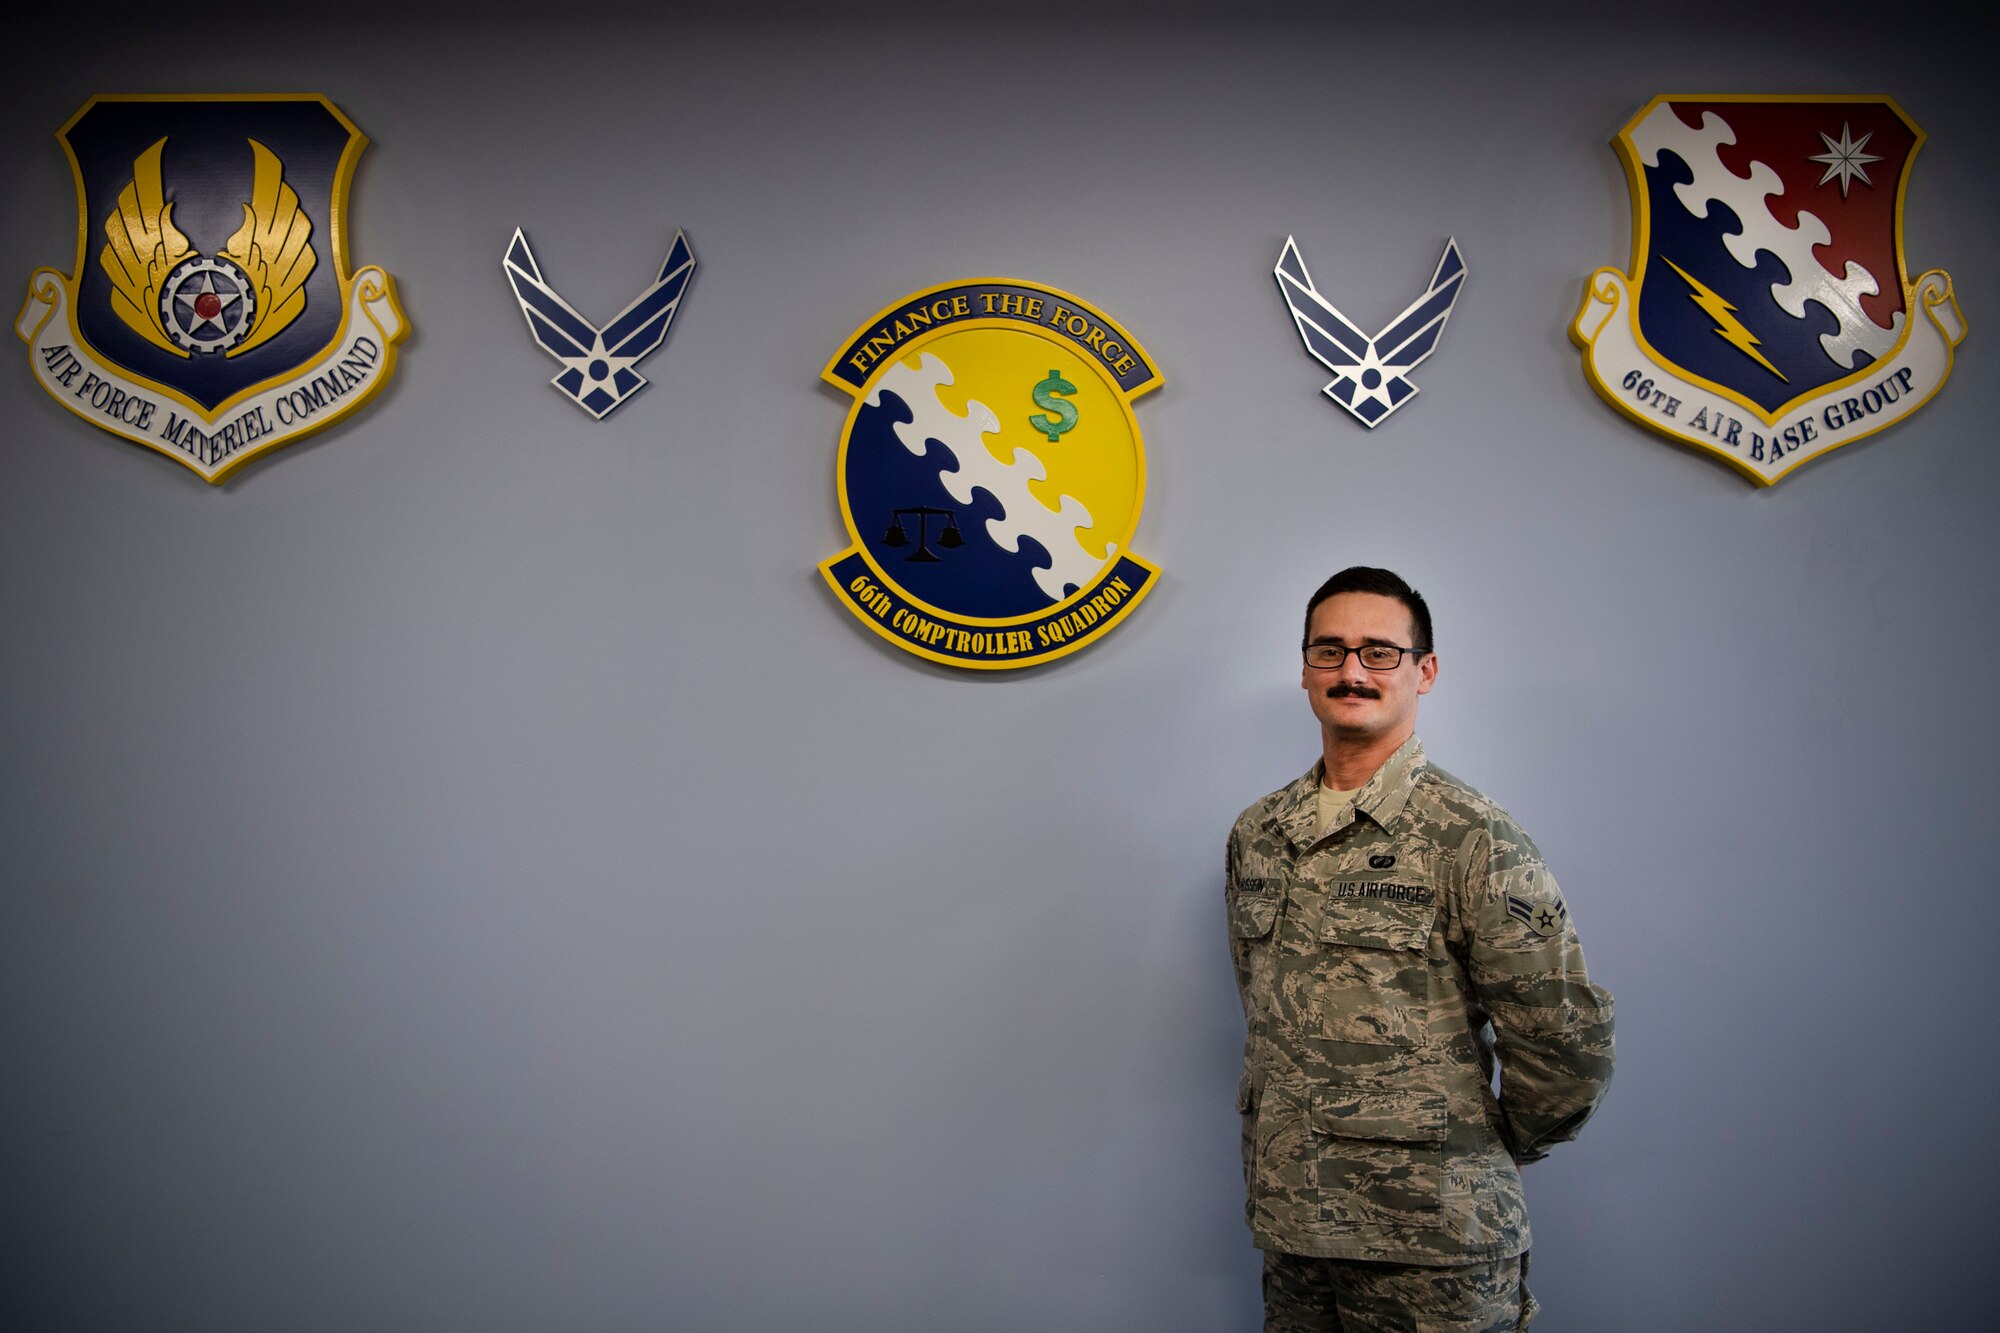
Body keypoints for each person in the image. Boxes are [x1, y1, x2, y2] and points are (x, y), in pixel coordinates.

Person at [1226, 567, 1614, 1331]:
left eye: (1378, 652)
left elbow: (1566, 1047)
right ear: (1304, 667)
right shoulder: (1260, 834)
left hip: (1432, 1240)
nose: (1351, 672)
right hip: (1295, 1232)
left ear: (1423, 670)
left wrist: (1468, 1150)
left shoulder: (1474, 836)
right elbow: (1266, 1008)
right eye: (1330, 651)